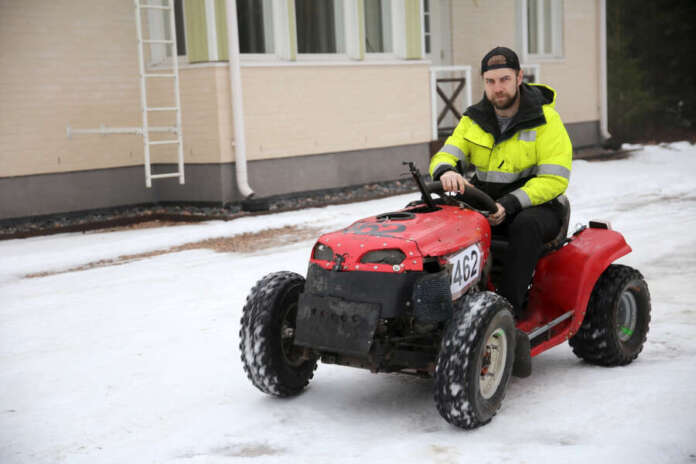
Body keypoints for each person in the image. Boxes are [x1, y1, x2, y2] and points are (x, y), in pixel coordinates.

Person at [429, 46, 572, 318]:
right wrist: (446, 170)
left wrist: (509, 203)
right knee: (434, 216)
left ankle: (506, 312)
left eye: (504, 79)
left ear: (519, 77)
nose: (498, 88)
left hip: (537, 207)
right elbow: (447, 153)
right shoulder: (473, 119)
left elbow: (554, 179)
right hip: (485, 203)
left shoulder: (546, 120)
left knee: (525, 226)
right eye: (490, 81)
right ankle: (440, 302)